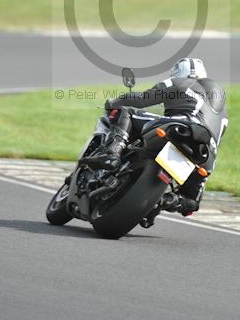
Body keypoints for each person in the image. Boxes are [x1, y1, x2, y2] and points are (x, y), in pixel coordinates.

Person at [84, 58, 228, 218]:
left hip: (180, 126)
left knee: (127, 112)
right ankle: (168, 200)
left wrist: (113, 103)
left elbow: (141, 99)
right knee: (190, 203)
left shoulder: (178, 82)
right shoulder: (223, 112)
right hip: (206, 154)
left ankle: (112, 153)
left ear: (179, 73)